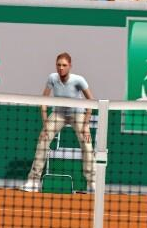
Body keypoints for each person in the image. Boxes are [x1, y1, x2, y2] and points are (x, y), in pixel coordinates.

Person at [23, 52, 94, 194]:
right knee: (43, 140)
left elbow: (91, 102)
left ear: (70, 66)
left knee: (87, 143)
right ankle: (33, 181)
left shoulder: (79, 80)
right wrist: (45, 126)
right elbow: (44, 102)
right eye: (58, 65)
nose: (61, 68)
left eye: (64, 65)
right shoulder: (52, 78)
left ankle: (92, 183)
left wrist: (86, 126)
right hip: (58, 114)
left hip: (77, 114)